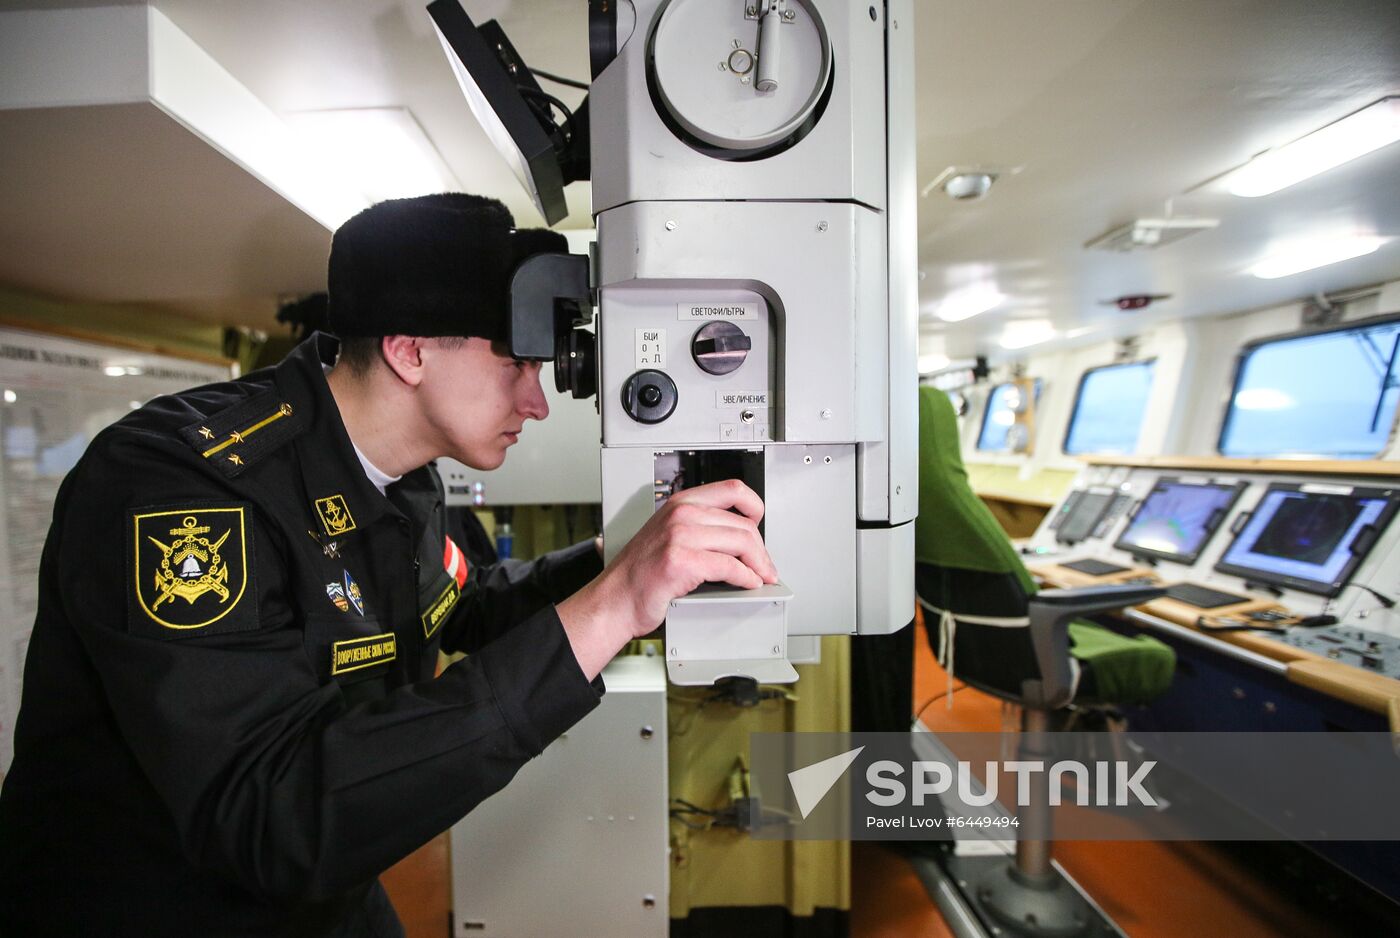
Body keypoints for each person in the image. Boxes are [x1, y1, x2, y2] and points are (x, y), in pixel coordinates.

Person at [0, 193, 777, 937]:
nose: (537, 403)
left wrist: (622, 564)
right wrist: (612, 608)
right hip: (164, 909)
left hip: (327, 899)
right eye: (516, 365)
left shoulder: (405, 476)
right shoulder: (185, 487)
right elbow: (271, 813)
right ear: (410, 352)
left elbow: (465, 604)